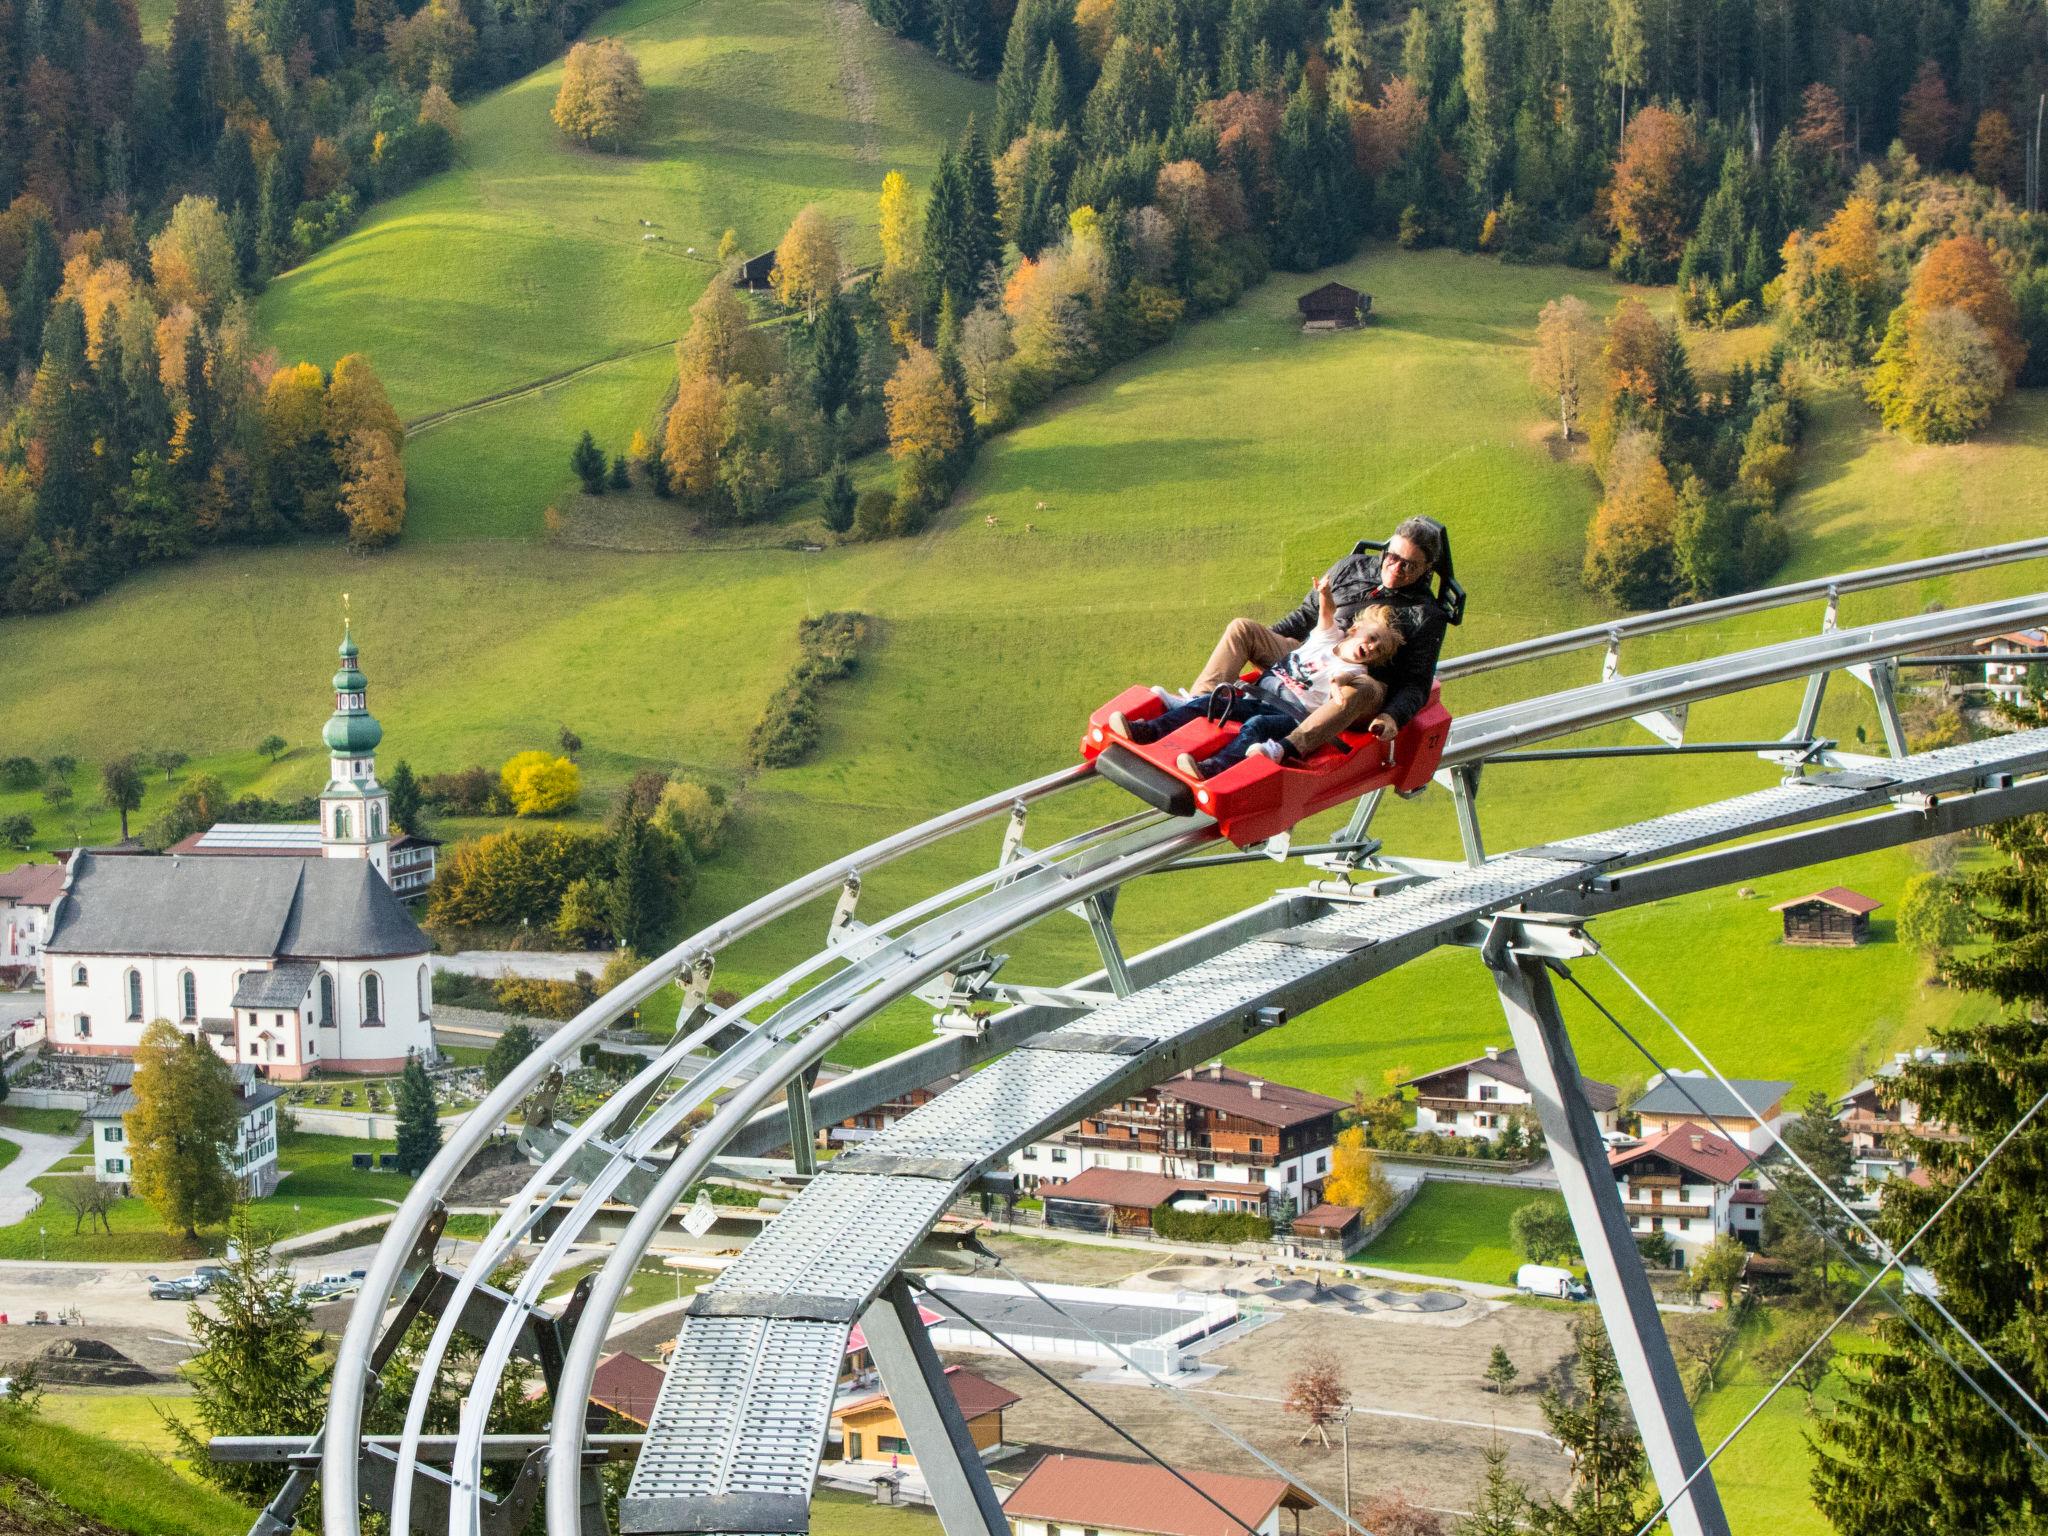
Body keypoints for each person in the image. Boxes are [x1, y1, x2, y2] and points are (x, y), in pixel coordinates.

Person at [1186, 517, 1452, 753]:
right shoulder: (1352, 568)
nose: (1395, 568)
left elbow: (1416, 682)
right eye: (1392, 557)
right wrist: (1266, 646)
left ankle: (1287, 746)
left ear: (1426, 569)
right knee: (1242, 628)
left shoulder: (1426, 615)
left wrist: (1392, 716)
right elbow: (1305, 615)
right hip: (1316, 658)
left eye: (1409, 566)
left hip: (1357, 686)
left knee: (1361, 688)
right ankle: (1199, 703)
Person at [1110, 590, 1404, 779]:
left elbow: (1354, 681)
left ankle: (1216, 766)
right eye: (1371, 638)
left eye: (1378, 650)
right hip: (1262, 693)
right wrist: (1325, 591)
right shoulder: (1327, 637)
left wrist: (1340, 681)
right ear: (1352, 631)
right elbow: (1326, 613)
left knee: (1258, 726)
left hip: (1290, 714)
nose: (1371, 647)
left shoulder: (1357, 671)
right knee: (1208, 703)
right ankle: (1149, 730)